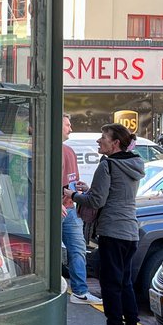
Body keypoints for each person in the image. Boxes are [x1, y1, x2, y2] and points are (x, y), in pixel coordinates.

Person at [65, 123, 145, 325]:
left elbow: (96, 202)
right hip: (130, 232)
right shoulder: (133, 164)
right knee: (125, 283)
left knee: (110, 285)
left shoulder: (108, 164)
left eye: (103, 138)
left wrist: (74, 194)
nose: (99, 141)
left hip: (112, 232)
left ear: (115, 143)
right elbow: (115, 194)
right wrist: (89, 189)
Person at [61, 114, 90, 303]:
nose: (70, 128)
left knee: (78, 248)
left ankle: (80, 291)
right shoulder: (46, 150)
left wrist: (80, 188)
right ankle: (57, 289)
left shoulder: (69, 151)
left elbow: (71, 181)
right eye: (67, 125)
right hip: (56, 208)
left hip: (69, 207)